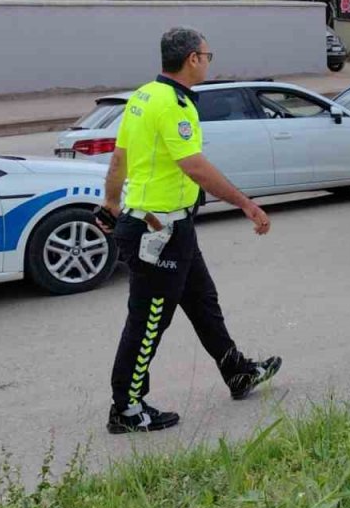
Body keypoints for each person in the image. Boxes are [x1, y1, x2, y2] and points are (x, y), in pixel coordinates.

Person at [98, 28, 281, 435]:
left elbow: (119, 159)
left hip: (169, 225)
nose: (209, 61)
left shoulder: (143, 96)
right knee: (148, 320)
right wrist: (246, 203)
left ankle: (237, 372)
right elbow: (194, 166)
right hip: (156, 229)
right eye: (207, 55)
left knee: (202, 301)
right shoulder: (175, 104)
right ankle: (126, 408)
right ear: (192, 59)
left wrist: (111, 204)